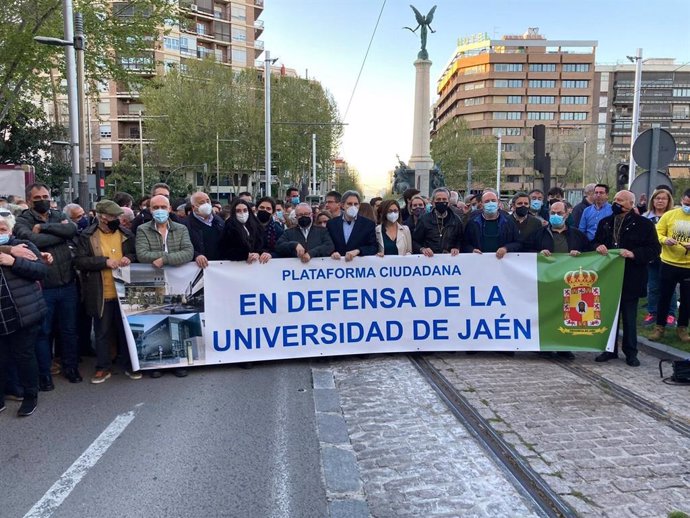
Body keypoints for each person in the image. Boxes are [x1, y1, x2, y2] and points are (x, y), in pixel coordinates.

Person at [14, 183, 82, 389]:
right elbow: (31, 240)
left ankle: (71, 367)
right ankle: (45, 375)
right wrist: (60, 234)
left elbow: (72, 228)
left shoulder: (57, 214)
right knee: (43, 333)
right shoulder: (22, 220)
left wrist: (45, 227)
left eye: (45, 195)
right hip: (44, 287)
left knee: (69, 330)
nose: (43, 200)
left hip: (67, 284)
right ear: (28, 201)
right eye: (37, 198)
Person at [73, 200, 140, 384]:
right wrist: (103, 262)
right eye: (113, 217)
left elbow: (136, 254)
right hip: (101, 291)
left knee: (125, 330)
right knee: (102, 331)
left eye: (118, 216)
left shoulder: (126, 233)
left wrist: (128, 257)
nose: (117, 220)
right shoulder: (87, 236)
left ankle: (129, 364)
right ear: (102, 217)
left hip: (125, 291)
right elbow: (79, 261)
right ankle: (103, 367)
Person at [593, 190, 660, 366]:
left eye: (621, 200)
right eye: (615, 199)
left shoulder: (644, 224)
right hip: (607, 277)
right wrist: (598, 246)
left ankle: (631, 352)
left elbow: (654, 249)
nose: (617, 203)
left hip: (631, 276)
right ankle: (609, 349)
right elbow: (593, 242)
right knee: (608, 315)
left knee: (629, 316)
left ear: (631, 203)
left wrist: (633, 254)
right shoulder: (605, 222)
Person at [135, 195, 194, 379]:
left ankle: (180, 363)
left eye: (163, 206)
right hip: (152, 281)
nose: (159, 210)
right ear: (150, 210)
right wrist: (172, 256)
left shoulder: (181, 228)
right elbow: (142, 254)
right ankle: (155, 366)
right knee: (155, 314)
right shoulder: (142, 229)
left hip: (178, 281)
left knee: (177, 317)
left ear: (169, 209)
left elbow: (188, 252)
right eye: (155, 207)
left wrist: (165, 259)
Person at [0, 215, 47, 417]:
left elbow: (40, 270)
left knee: (24, 356)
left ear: (10, 231)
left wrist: (14, 262)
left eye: (2, 229)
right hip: (2, 317)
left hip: (23, 313)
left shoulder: (23, 246)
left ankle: (30, 396)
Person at [649, 188, 690, 343]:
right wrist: (664, 240)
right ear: (681, 200)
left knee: (687, 300)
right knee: (664, 296)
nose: (687, 207)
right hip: (669, 263)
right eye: (686, 204)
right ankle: (659, 327)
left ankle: (682, 328)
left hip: (688, 266)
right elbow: (657, 233)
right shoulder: (669, 215)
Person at [642, 188, 677, 327]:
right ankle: (652, 312)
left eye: (664, 198)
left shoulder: (674, 216)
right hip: (652, 257)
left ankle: (670, 314)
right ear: (653, 200)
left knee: (669, 287)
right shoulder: (646, 216)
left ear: (669, 201)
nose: (660, 201)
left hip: (669, 256)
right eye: (657, 198)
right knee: (653, 286)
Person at [464, 189, 521, 258]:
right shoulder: (472, 223)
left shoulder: (509, 222)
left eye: (493, 201)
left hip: (502, 263)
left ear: (498, 203)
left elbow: (518, 243)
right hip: (479, 262)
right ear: (481, 204)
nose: (490, 203)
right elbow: (464, 243)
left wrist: (506, 248)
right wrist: (471, 250)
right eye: (487, 201)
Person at [327, 190, 377, 261]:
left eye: (356, 204)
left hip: (358, 267)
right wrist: (333, 253)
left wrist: (358, 251)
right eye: (349, 204)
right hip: (337, 265)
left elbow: (373, 247)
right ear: (342, 205)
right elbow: (328, 244)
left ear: (359, 205)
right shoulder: (331, 224)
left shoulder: (368, 224)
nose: (353, 207)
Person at [412, 188, 462, 257]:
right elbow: (415, 241)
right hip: (430, 260)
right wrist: (423, 249)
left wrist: (457, 248)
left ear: (449, 202)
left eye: (444, 199)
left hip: (450, 261)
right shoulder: (424, 219)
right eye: (438, 199)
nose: (441, 202)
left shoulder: (456, 220)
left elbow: (461, 240)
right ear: (433, 203)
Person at [220, 198, 272, 264]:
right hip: (237, 266)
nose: (242, 213)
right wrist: (245, 255)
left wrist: (259, 253)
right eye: (238, 211)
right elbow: (225, 250)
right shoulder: (229, 227)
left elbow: (263, 245)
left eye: (245, 210)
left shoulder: (257, 225)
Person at [186, 191, 225, 269]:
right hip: (198, 268)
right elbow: (183, 247)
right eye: (202, 202)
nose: (206, 204)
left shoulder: (219, 221)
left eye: (208, 201)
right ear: (193, 207)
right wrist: (196, 255)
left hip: (220, 267)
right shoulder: (185, 225)